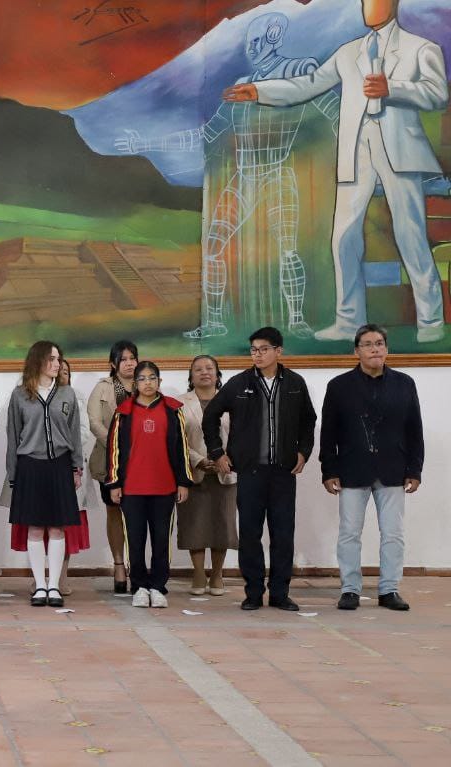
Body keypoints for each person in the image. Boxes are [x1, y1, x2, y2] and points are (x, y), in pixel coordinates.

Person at [224, 0, 448, 343]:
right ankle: (349, 320)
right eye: (364, 2)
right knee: (343, 236)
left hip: (400, 151)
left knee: (410, 234)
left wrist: (394, 89)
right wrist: (261, 91)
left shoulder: (421, 48)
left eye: (375, 1)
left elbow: (438, 93)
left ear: (392, 3)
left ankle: (431, 321)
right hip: (355, 151)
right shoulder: (349, 52)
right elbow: (310, 83)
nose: (368, 8)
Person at [204, 326, 317, 611]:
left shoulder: (294, 382)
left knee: (282, 534)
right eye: (253, 349)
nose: (258, 354)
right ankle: (253, 593)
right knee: (250, 534)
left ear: (278, 351)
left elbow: (308, 420)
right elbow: (211, 416)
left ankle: (280, 593)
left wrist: (303, 452)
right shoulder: (239, 383)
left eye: (264, 349)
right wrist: (218, 453)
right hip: (251, 472)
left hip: (283, 472)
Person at [320, 323, 423, 611]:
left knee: (393, 533)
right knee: (350, 532)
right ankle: (350, 589)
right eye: (367, 344)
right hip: (352, 470)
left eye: (379, 343)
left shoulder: (404, 383)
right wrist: (329, 471)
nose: (375, 348)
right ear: (357, 351)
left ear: (387, 349)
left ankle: (389, 589)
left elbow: (414, 430)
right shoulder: (339, 386)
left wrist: (415, 470)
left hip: (394, 470)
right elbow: (328, 433)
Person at [106, 361, 193, 609]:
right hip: (132, 489)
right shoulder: (123, 412)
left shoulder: (172, 410)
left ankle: (158, 586)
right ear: (135, 383)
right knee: (135, 539)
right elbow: (114, 450)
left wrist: (183, 482)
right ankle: (140, 586)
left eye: (152, 378)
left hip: (164, 488)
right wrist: (114, 483)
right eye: (142, 379)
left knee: (161, 539)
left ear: (159, 381)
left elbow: (182, 450)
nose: (147, 383)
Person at [6, 341, 83, 608]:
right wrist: (12, 474)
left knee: (58, 527)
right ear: (37, 360)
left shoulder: (67, 394)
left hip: (60, 464)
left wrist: (76, 467)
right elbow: (13, 437)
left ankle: (54, 585)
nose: (57, 364)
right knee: (36, 527)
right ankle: (39, 585)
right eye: (51, 358)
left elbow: (74, 434)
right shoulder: (20, 395)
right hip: (30, 465)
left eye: (59, 359)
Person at [178, 355, 237, 596]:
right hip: (194, 472)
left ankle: (218, 574)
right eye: (198, 369)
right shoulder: (180, 404)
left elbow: (240, 435)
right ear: (191, 376)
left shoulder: (232, 401)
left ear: (217, 373)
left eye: (209, 368)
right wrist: (199, 460)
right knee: (196, 524)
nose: (204, 372)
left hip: (226, 471)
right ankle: (199, 573)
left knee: (222, 524)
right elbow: (178, 440)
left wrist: (224, 458)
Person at [88, 340, 137, 592]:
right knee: (114, 511)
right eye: (124, 359)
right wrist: (116, 444)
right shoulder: (103, 388)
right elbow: (95, 422)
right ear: (113, 364)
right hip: (110, 459)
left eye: (132, 358)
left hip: (142, 461)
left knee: (138, 513)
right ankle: (119, 564)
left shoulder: (145, 383)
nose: (129, 363)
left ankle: (137, 564)